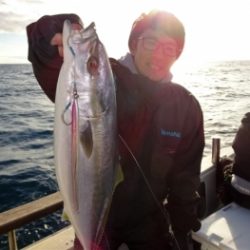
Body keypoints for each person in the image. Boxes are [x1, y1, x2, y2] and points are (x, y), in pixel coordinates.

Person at [26, 10, 205, 250]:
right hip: (97, 218)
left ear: (177, 55)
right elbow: (56, 72)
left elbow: (185, 176)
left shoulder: (186, 106)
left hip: (151, 222)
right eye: (150, 42)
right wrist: (51, 37)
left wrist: (183, 227)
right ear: (133, 44)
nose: (158, 54)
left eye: (169, 48)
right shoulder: (108, 77)